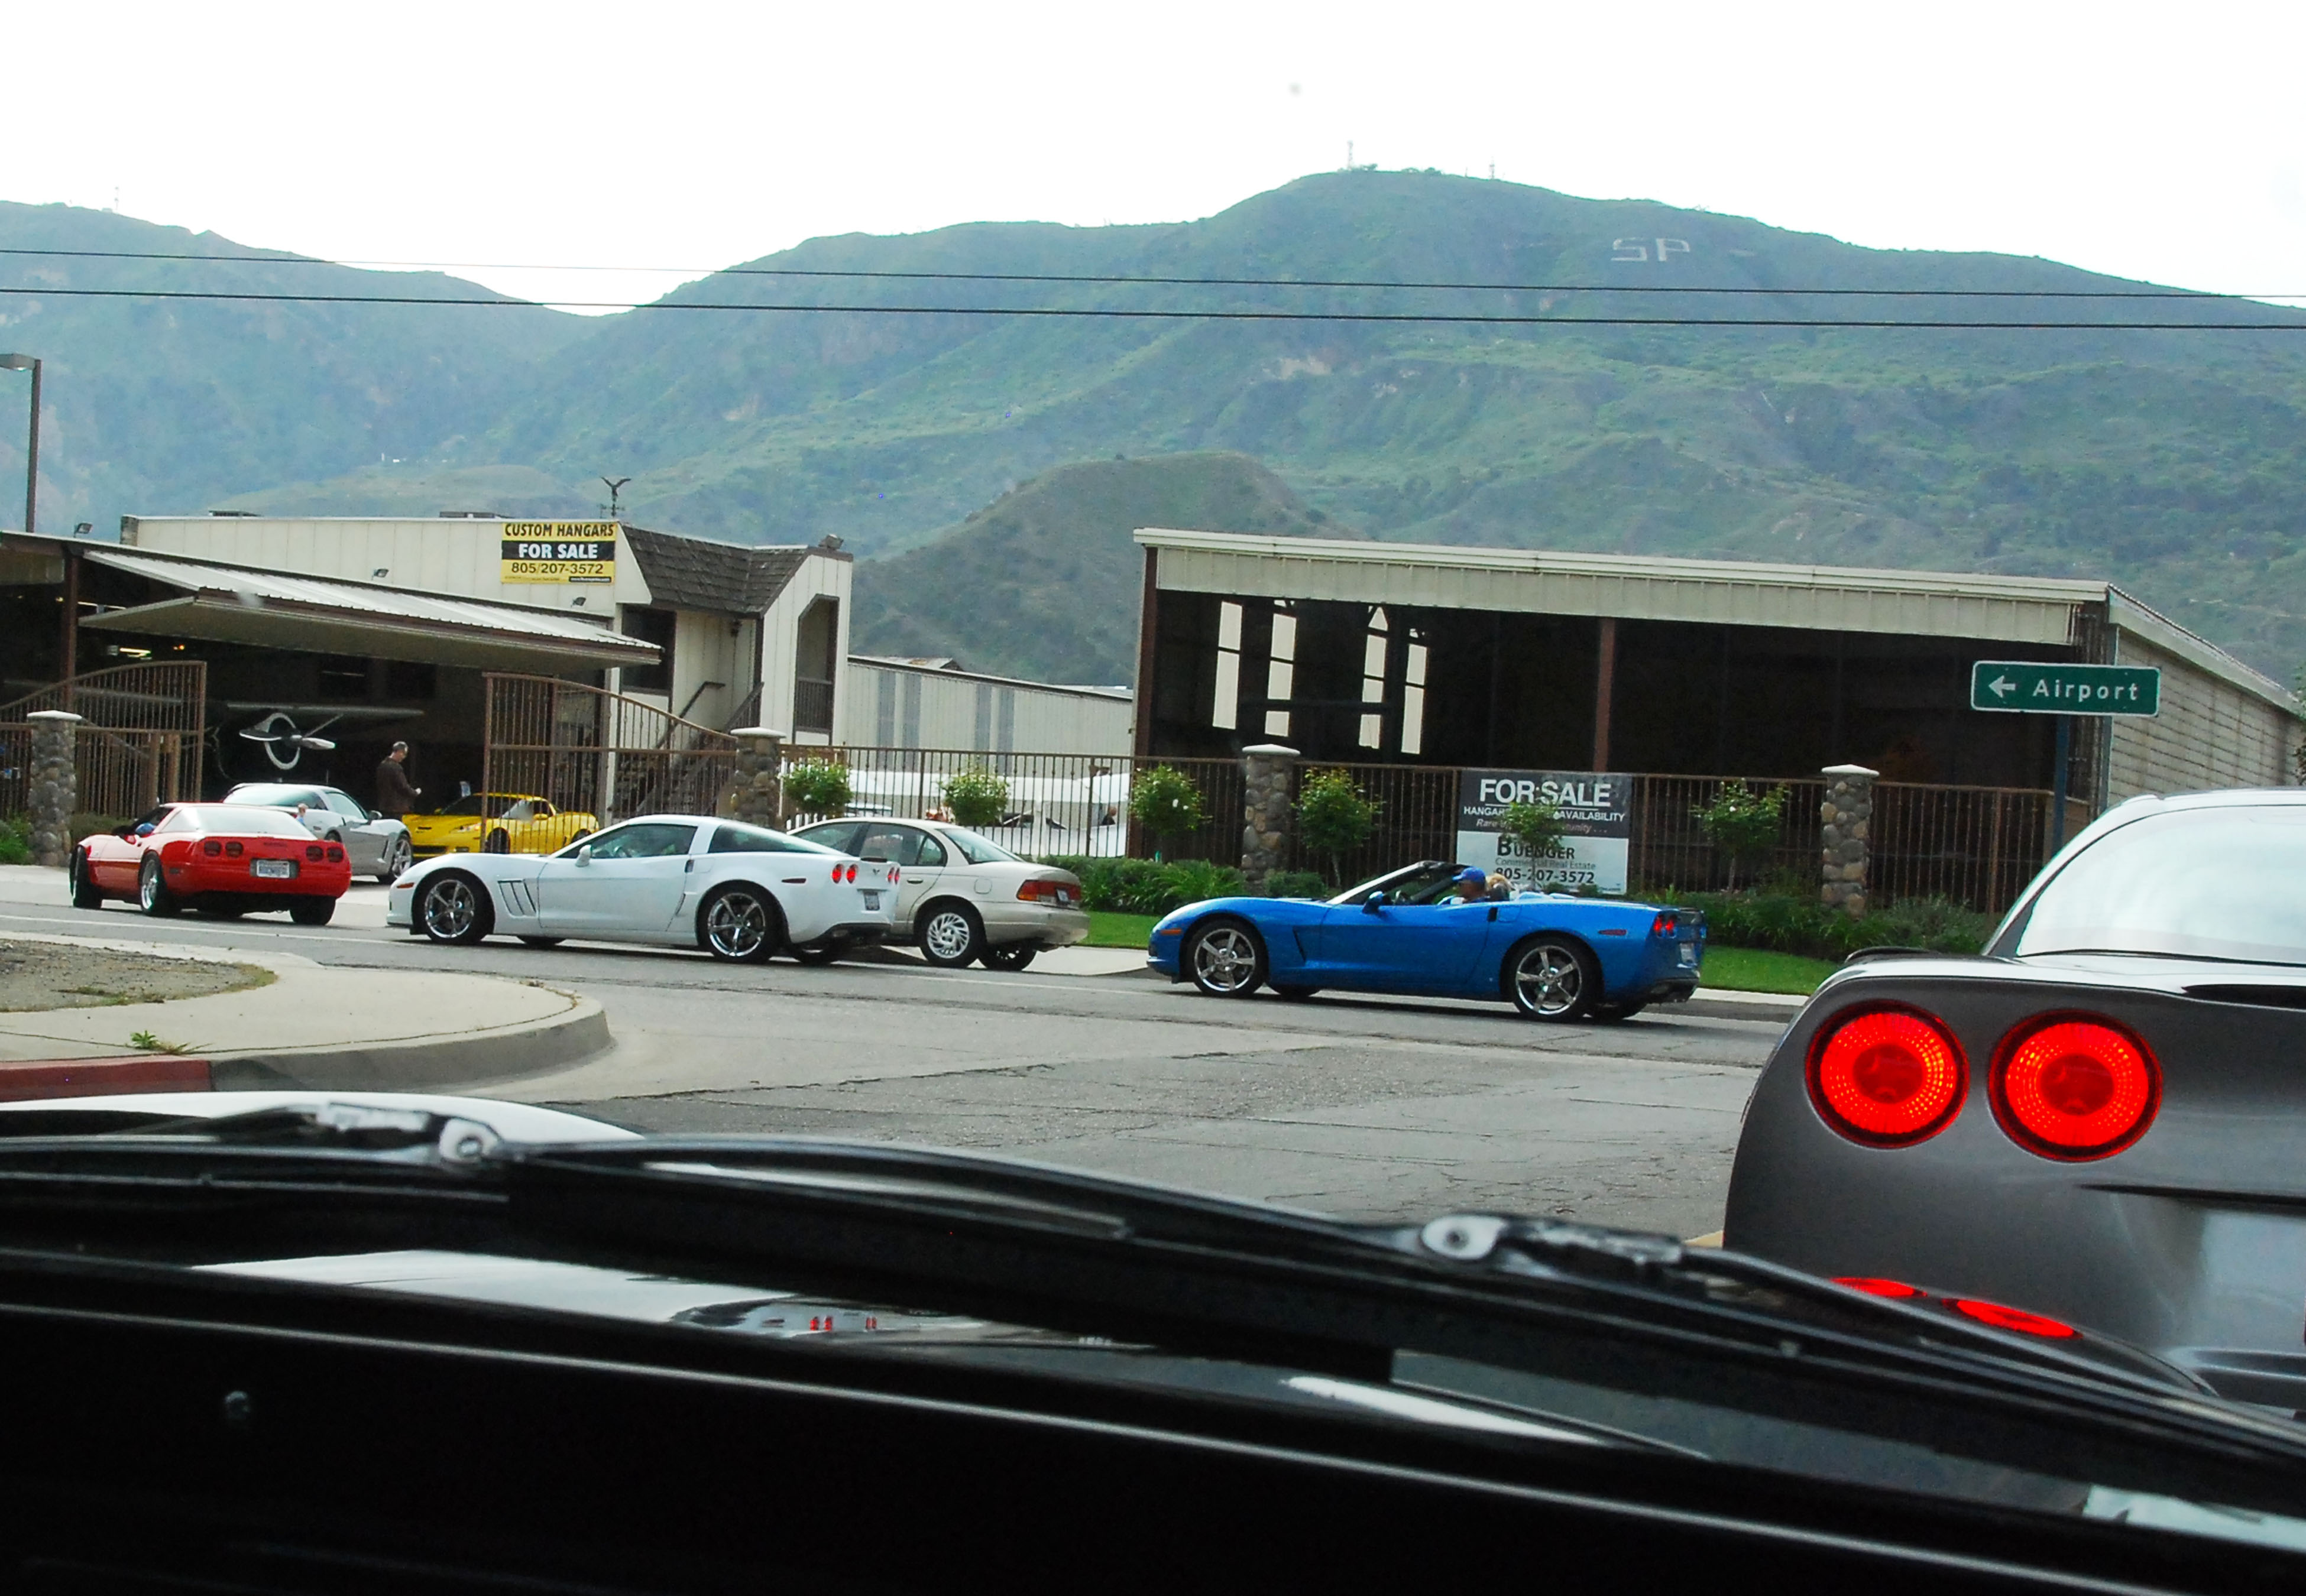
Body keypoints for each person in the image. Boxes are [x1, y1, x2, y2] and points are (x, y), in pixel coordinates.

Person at [375, 741, 422, 817]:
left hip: (383, 806)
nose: (404, 757)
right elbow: (403, 786)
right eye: (404, 754)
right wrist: (415, 793)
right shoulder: (396, 767)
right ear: (400, 752)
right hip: (395, 808)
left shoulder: (382, 765)